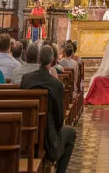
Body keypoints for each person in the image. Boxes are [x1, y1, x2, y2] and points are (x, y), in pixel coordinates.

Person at [21, 44, 76, 173]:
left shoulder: (26, 79)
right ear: (52, 61)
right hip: (48, 140)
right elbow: (59, 120)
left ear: (38, 60)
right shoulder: (56, 84)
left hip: (27, 138)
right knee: (71, 133)